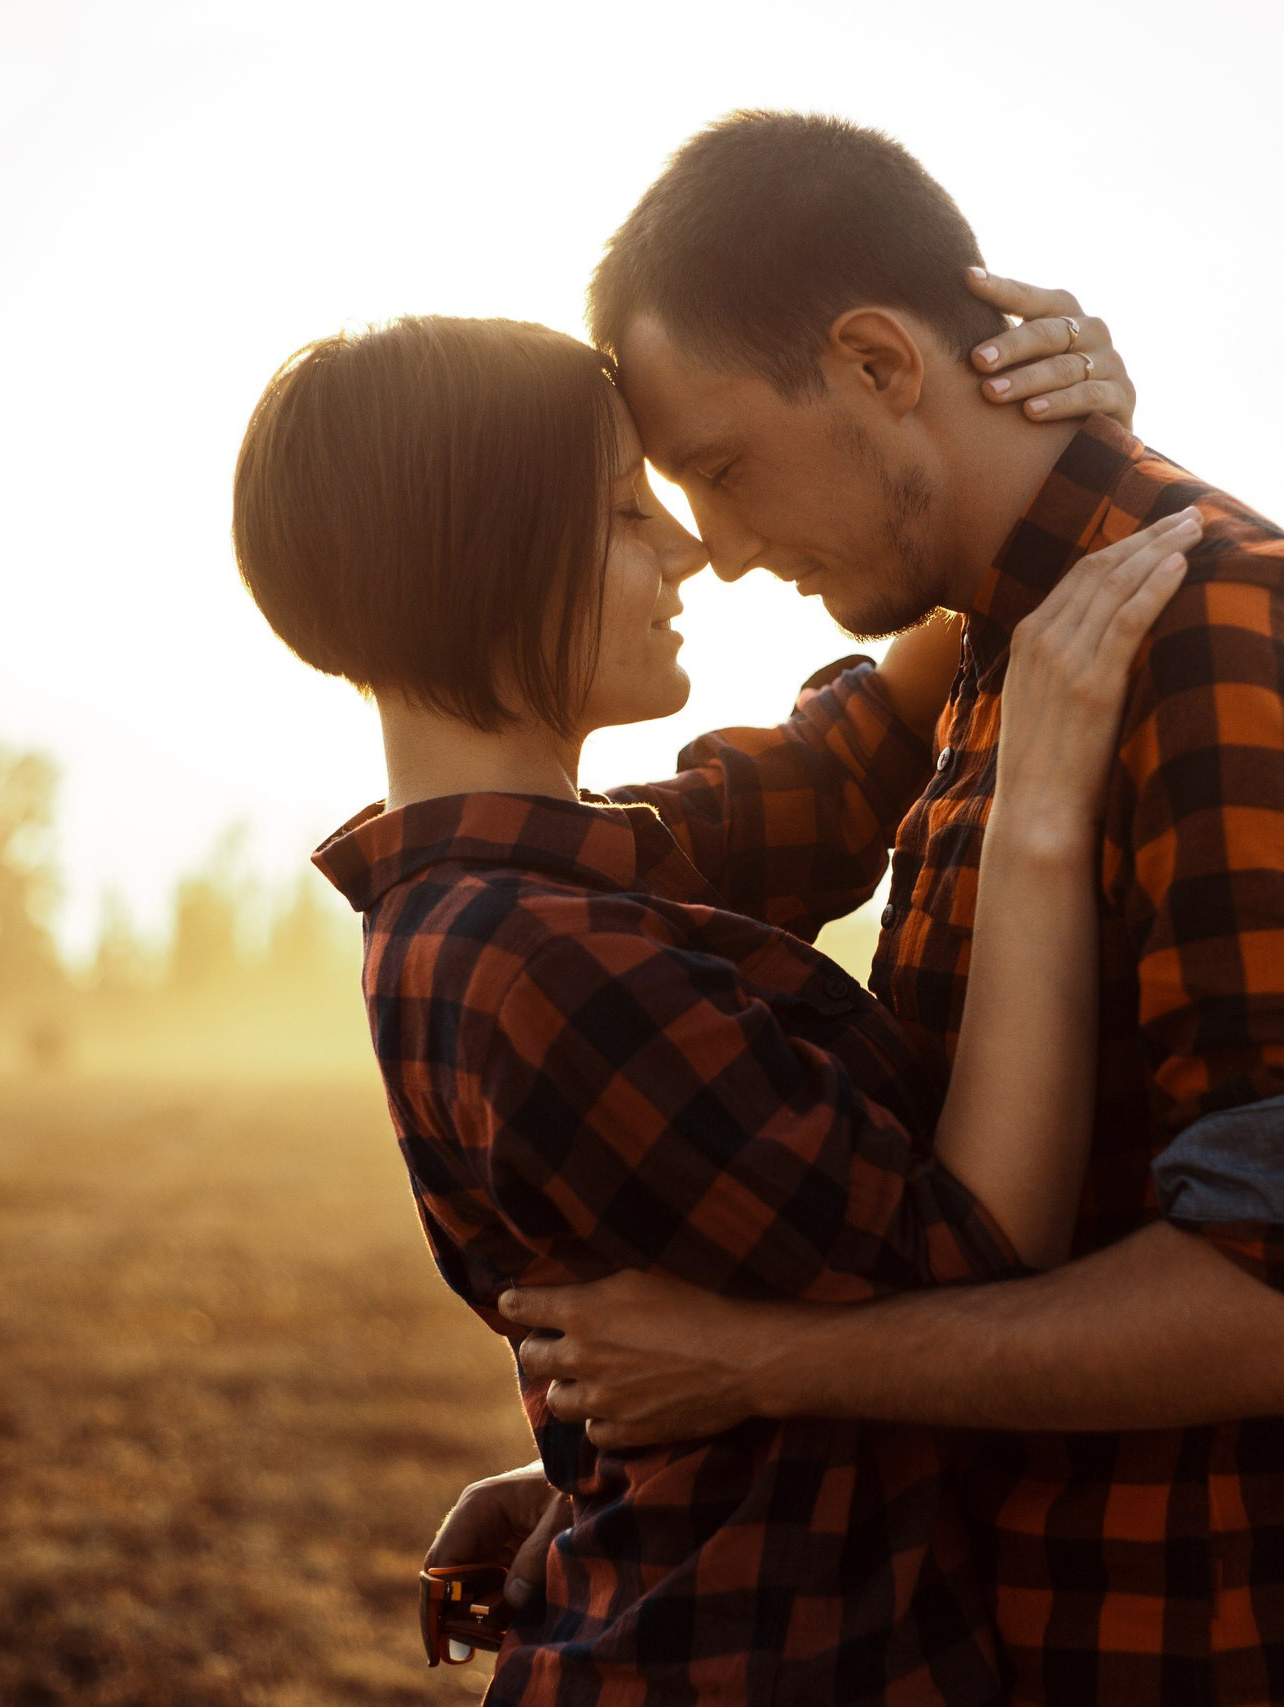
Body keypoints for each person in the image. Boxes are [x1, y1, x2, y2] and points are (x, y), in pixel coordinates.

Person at [480, 112, 1284, 1706]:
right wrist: (645, 1486)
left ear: (877, 364)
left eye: (722, 470)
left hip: (1202, 1651)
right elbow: (730, 831)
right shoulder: (1000, 643)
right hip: (989, 1628)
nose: (713, 549)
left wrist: (754, 1374)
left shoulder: (1213, 627)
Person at [231, 293, 1189, 1704]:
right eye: (626, 512)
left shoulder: (521, 889)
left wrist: (1043, 467)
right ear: (491, 565)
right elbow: (974, 1256)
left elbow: (831, 772)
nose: (689, 544)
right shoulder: (538, 964)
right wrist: (1040, 800)